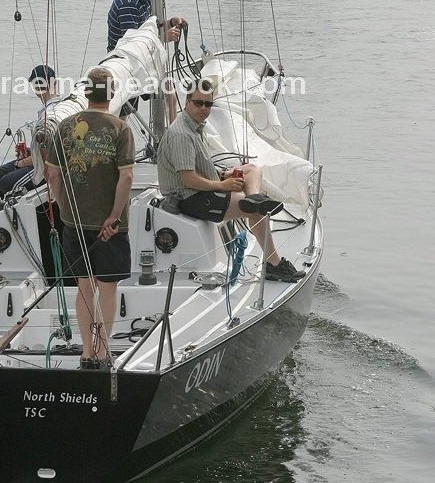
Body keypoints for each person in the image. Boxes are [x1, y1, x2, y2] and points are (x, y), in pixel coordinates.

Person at [157, 80, 306, 283]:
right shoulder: (182, 134)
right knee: (256, 211)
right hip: (189, 198)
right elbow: (188, 179)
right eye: (198, 103)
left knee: (252, 169)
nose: (203, 108)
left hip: (199, 189)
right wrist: (222, 185)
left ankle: (253, 196)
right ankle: (274, 264)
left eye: (208, 104)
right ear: (186, 102)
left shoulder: (192, 126)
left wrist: (222, 174)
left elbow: (196, 167)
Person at [46, 67, 135, 368]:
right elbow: (127, 177)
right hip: (110, 226)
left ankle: (86, 351)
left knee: (85, 286)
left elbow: (53, 175)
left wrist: (62, 208)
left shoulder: (66, 127)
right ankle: (102, 350)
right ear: (111, 95)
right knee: (108, 288)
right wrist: (114, 216)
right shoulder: (121, 129)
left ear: (86, 94)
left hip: (74, 221)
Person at [0, 64, 60, 208]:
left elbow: (47, 156)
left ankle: (3, 222)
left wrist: (21, 163)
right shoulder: (48, 110)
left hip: (44, 168)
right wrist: (31, 151)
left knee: (6, 182)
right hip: (36, 160)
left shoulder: (52, 113)